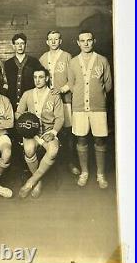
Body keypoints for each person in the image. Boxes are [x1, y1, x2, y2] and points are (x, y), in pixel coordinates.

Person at [68, 30, 112, 188]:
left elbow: (108, 86)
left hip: (98, 107)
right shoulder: (73, 62)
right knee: (81, 138)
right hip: (79, 107)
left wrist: (96, 96)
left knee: (100, 139)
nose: (86, 43)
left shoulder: (102, 60)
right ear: (78, 43)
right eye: (82, 40)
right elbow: (72, 86)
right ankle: (84, 171)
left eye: (89, 40)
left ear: (94, 41)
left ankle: (100, 174)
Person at [15, 66, 64, 198]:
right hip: (32, 132)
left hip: (48, 131)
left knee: (53, 150)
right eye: (35, 77)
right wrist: (25, 121)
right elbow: (18, 113)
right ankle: (39, 182)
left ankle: (31, 181)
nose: (37, 80)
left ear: (47, 78)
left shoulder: (54, 95)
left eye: (41, 77)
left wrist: (53, 132)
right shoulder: (27, 94)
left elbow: (60, 118)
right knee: (29, 150)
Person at [39, 30, 79, 175]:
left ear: (60, 41)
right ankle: (52, 164)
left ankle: (70, 162)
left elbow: (73, 80)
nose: (53, 42)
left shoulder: (68, 56)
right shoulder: (43, 58)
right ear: (47, 42)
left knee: (67, 132)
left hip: (65, 100)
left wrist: (62, 90)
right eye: (51, 39)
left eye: (56, 39)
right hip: (49, 102)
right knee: (50, 130)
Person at [4, 33, 40, 111]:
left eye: (22, 43)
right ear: (13, 46)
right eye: (17, 44)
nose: (20, 46)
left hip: (30, 101)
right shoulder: (8, 64)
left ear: (26, 45)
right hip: (12, 101)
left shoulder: (34, 62)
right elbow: (5, 83)